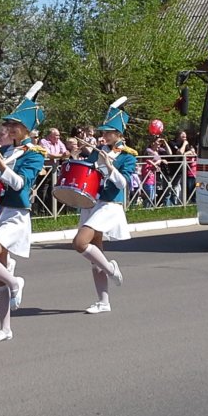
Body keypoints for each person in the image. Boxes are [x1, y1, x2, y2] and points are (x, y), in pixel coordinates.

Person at [0, 88, 46, 343]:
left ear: (27, 130)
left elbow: (18, 184)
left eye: (17, 125)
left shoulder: (35, 154)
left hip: (15, 214)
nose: (11, 128)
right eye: (10, 124)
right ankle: (5, 328)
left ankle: (16, 282)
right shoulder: (4, 151)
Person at [71, 97, 136, 314]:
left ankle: (111, 269)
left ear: (119, 135)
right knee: (94, 253)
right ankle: (103, 302)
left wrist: (109, 166)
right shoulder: (98, 151)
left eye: (109, 132)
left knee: (81, 243)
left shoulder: (127, 156)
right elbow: (87, 175)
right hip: (92, 203)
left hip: (109, 205)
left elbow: (123, 183)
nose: (104, 136)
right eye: (104, 132)